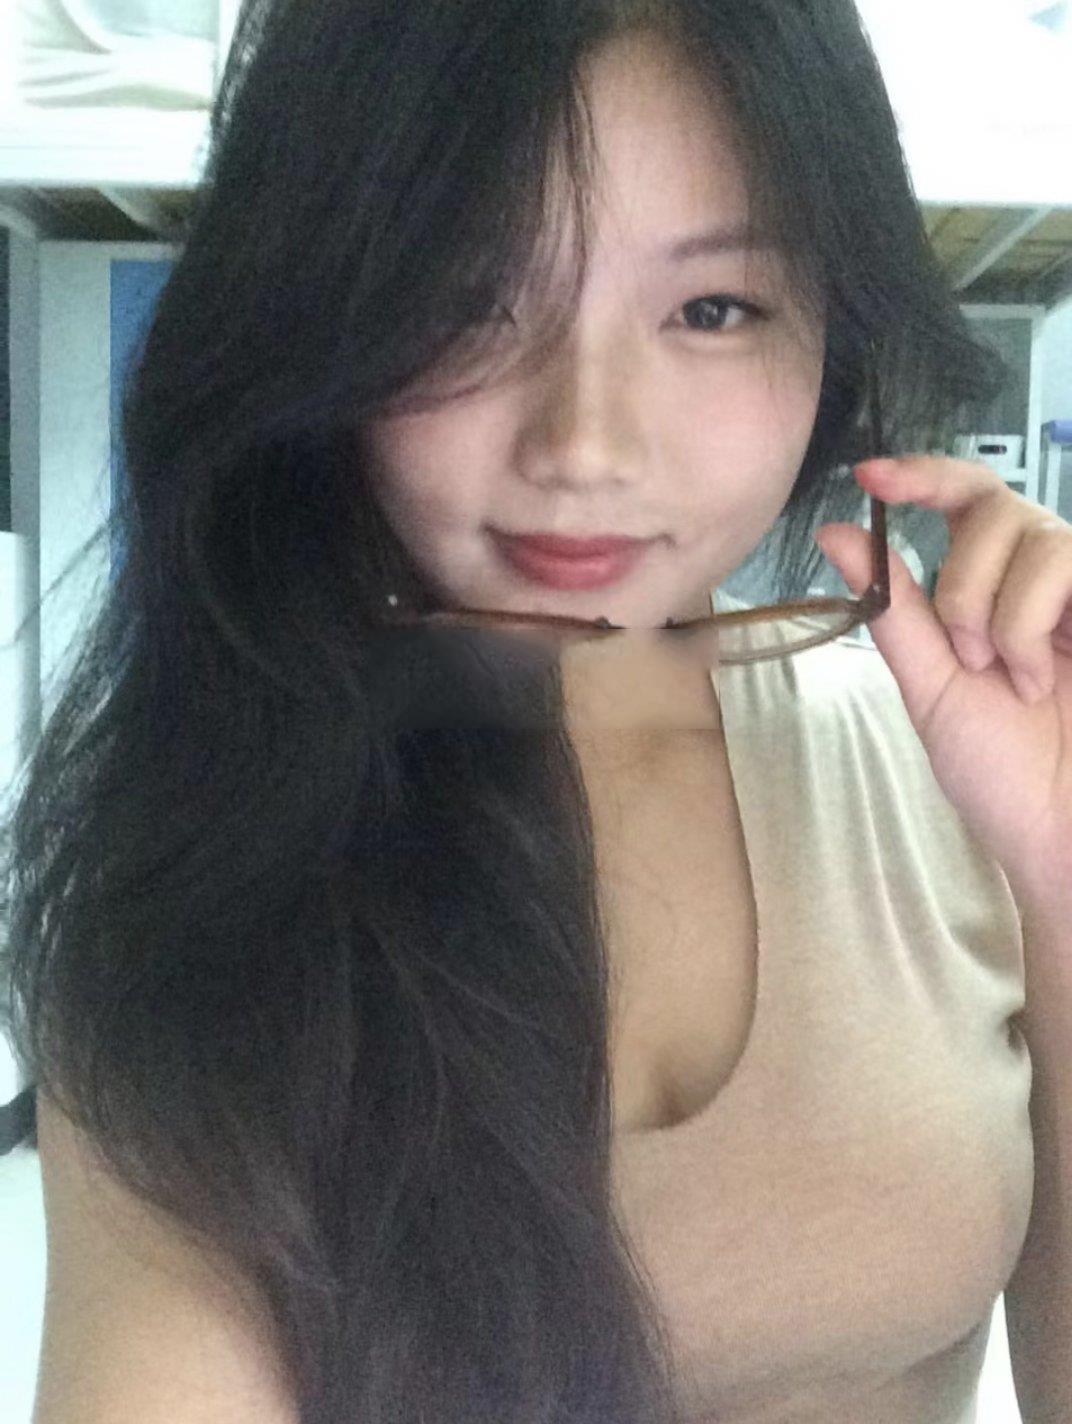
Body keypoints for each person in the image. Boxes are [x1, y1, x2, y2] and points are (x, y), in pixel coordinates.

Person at [0, 2, 1057, 1422]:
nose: (586, 446)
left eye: (713, 309)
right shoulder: (203, 844)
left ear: (835, 334)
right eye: (466, 299)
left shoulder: (963, 755)